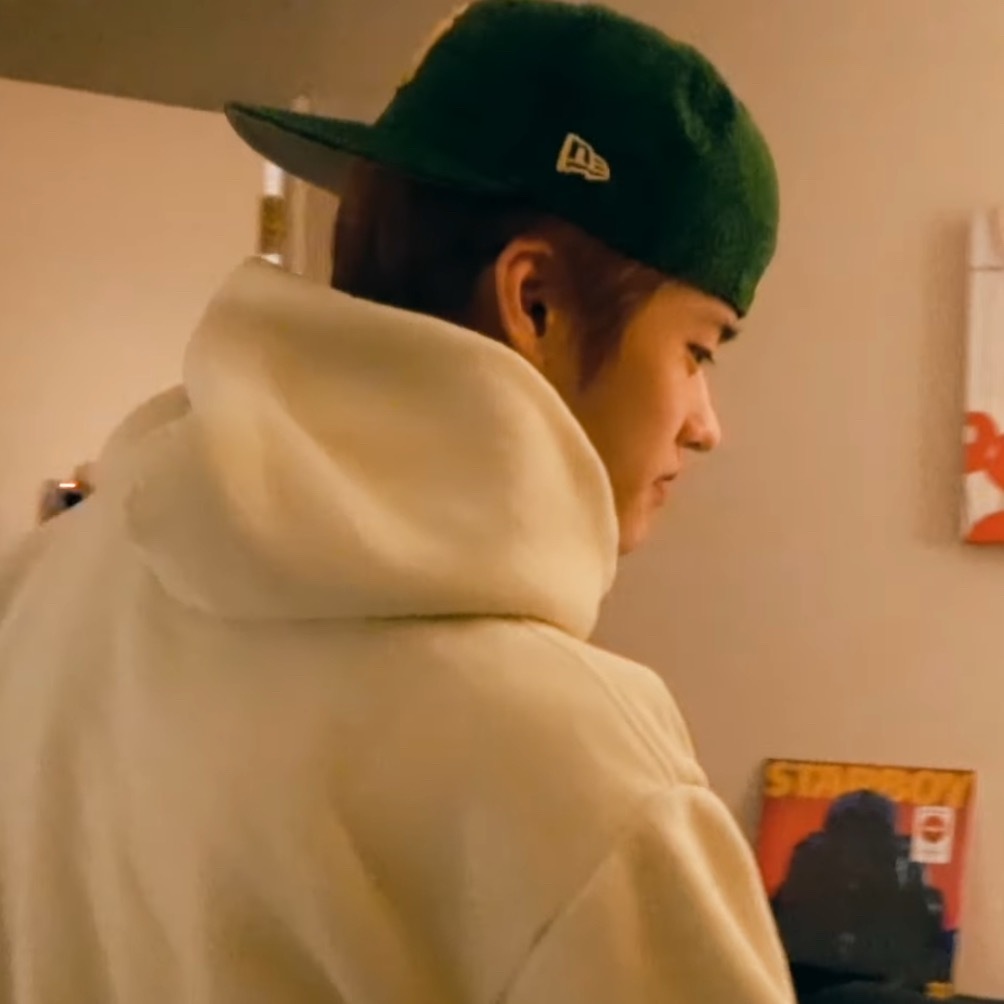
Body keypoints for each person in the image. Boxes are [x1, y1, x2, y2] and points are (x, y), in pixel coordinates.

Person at [0, 1, 794, 1001]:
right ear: (535, 301)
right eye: (697, 349)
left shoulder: (41, 590)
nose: (705, 425)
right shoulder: (583, 768)